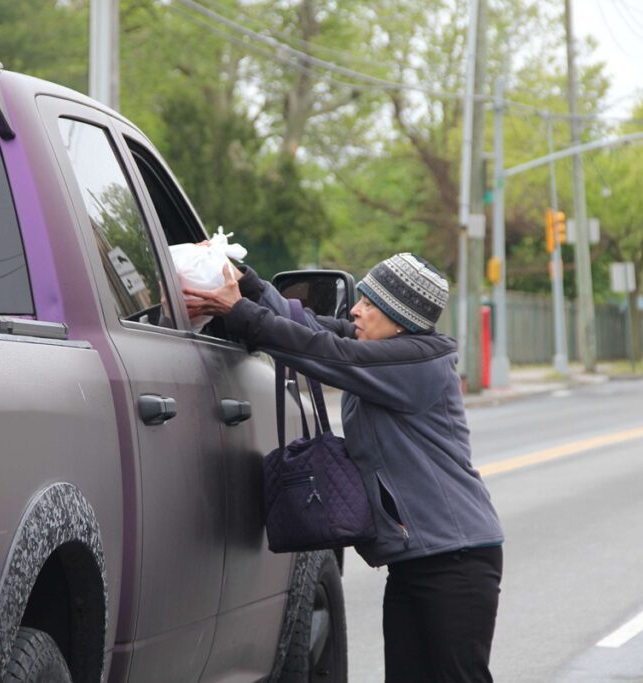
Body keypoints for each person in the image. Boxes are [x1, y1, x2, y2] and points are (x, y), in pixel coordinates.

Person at [184, 253, 504, 683]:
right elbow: (308, 329)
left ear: (400, 319)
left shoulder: (418, 362)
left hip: (456, 560)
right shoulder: (377, 349)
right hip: (416, 563)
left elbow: (323, 353)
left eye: (370, 304)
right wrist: (250, 285)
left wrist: (239, 312)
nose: (355, 308)